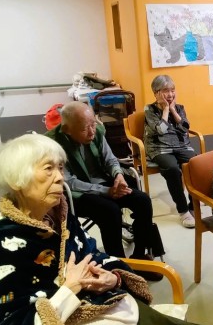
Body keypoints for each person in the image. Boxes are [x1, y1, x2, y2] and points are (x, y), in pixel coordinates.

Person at [0, 133, 213, 325]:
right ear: (17, 179)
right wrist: (69, 290)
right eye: (48, 169)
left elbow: (91, 253)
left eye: (60, 168)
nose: (60, 177)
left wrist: (113, 278)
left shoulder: (57, 212)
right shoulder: (3, 241)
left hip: (110, 308)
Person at [46, 101, 163, 267]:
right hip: (77, 194)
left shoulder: (97, 131)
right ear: (67, 130)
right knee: (110, 211)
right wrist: (105, 191)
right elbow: (69, 181)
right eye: (84, 128)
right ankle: (119, 265)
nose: (92, 131)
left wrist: (118, 175)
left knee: (142, 200)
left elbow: (110, 159)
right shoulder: (52, 145)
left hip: (102, 180)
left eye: (93, 124)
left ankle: (140, 256)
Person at [144, 75, 196, 228]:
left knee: (195, 164)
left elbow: (185, 128)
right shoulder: (149, 109)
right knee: (173, 169)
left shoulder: (179, 108)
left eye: (172, 90)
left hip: (181, 146)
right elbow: (160, 130)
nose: (170, 94)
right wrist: (166, 109)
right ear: (156, 93)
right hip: (159, 148)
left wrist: (173, 109)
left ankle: (194, 205)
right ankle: (183, 210)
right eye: (165, 91)